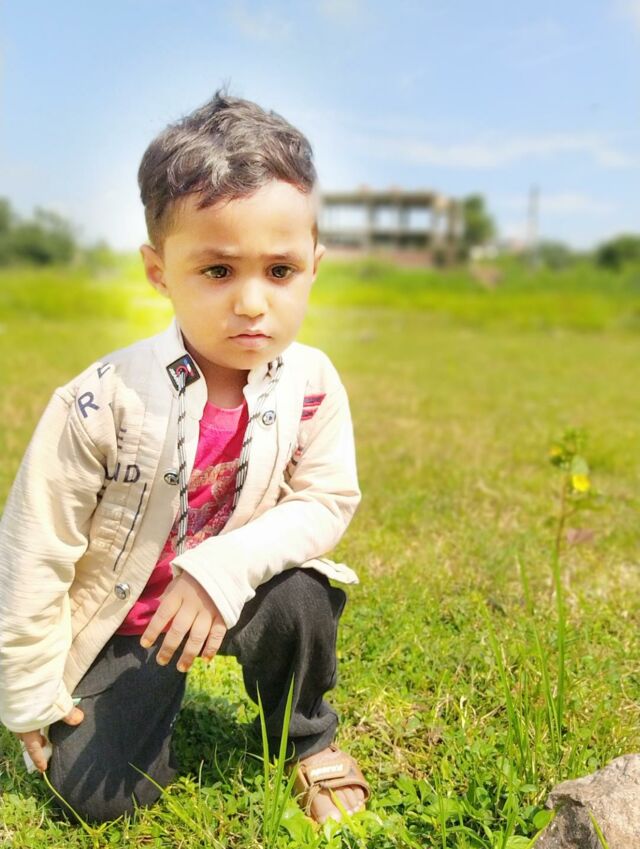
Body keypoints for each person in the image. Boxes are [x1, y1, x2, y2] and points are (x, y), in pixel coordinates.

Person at [0, 89, 370, 826]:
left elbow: (326, 500)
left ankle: (305, 738)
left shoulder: (312, 383)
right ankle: (140, 716)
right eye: (218, 271)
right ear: (158, 269)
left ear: (314, 265)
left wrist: (220, 569)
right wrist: (28, 690)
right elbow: (35, 547)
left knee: (301, 596)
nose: (252, 302)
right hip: (129, 618)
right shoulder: (101, 401)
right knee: (97, 798)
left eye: (280, 270)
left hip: (242, 589)